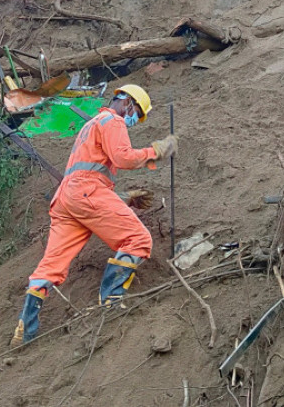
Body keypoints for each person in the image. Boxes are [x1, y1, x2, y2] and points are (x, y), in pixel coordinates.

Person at [11, 84, 177, 344]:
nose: (134, 119)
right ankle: (110, 302)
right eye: (137, 113)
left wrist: (122, 198)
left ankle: (26, 330)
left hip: (67, 199)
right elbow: (122, 158)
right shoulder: (113, 120)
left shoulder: (92, 123)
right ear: (127, 103)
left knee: (50, 266)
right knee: (138, 240)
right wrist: (155, 151)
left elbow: (86, 172)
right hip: (86, 192)